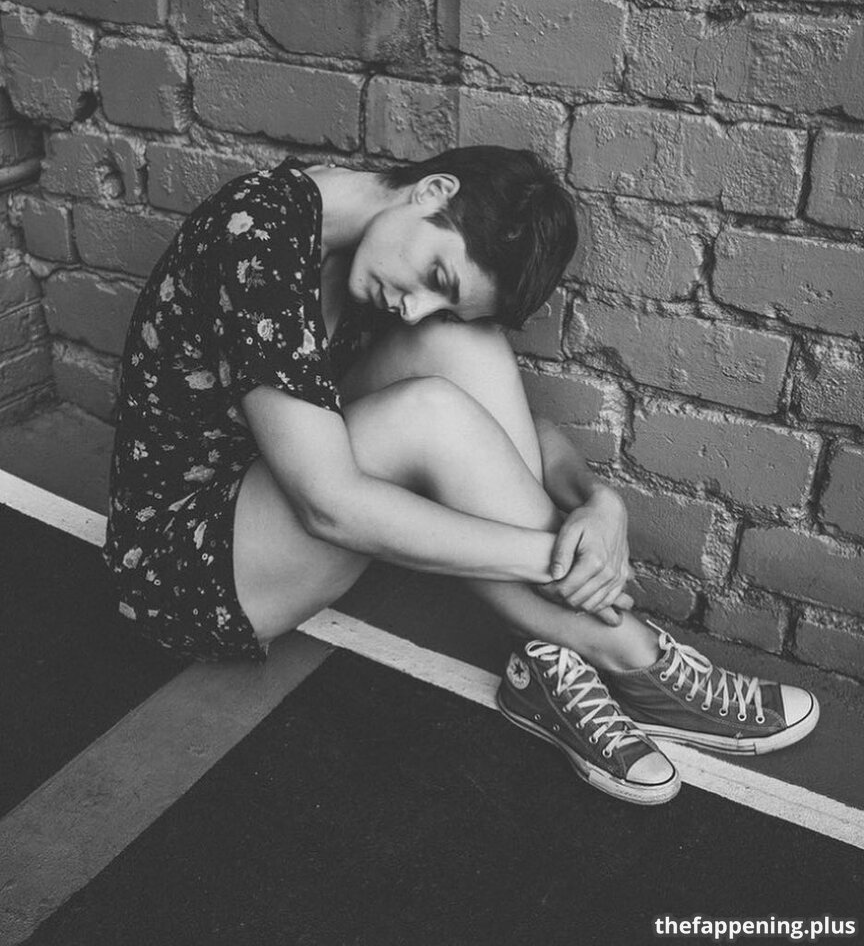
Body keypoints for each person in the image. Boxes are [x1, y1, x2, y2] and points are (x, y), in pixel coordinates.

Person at [103, 146, 819, 806]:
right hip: (187, 569)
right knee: (430, 413)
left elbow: (499, 438)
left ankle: (549, 660)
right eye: (438, 278)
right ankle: (630, 653)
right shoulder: (256, 238)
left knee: (461, 343)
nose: (413, 307)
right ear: (432, 191)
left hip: (270, 485)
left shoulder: (364, 236)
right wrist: (553, 559)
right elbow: (330, 506)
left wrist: (598, 505)